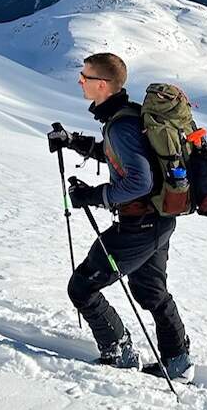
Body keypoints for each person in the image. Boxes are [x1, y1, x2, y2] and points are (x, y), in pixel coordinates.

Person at [47, 52, 192, 379]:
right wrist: (73, 142)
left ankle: (119, 352)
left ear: (103, 85)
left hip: (139, 226)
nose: (80, 81)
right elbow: (118, 156)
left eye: (85, 77)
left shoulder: (122, 125)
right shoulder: (127, 117)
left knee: (81, 288)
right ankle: (178, 361)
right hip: (160, 221)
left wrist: (93, 196)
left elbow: (141, 181)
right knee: (151, 291)